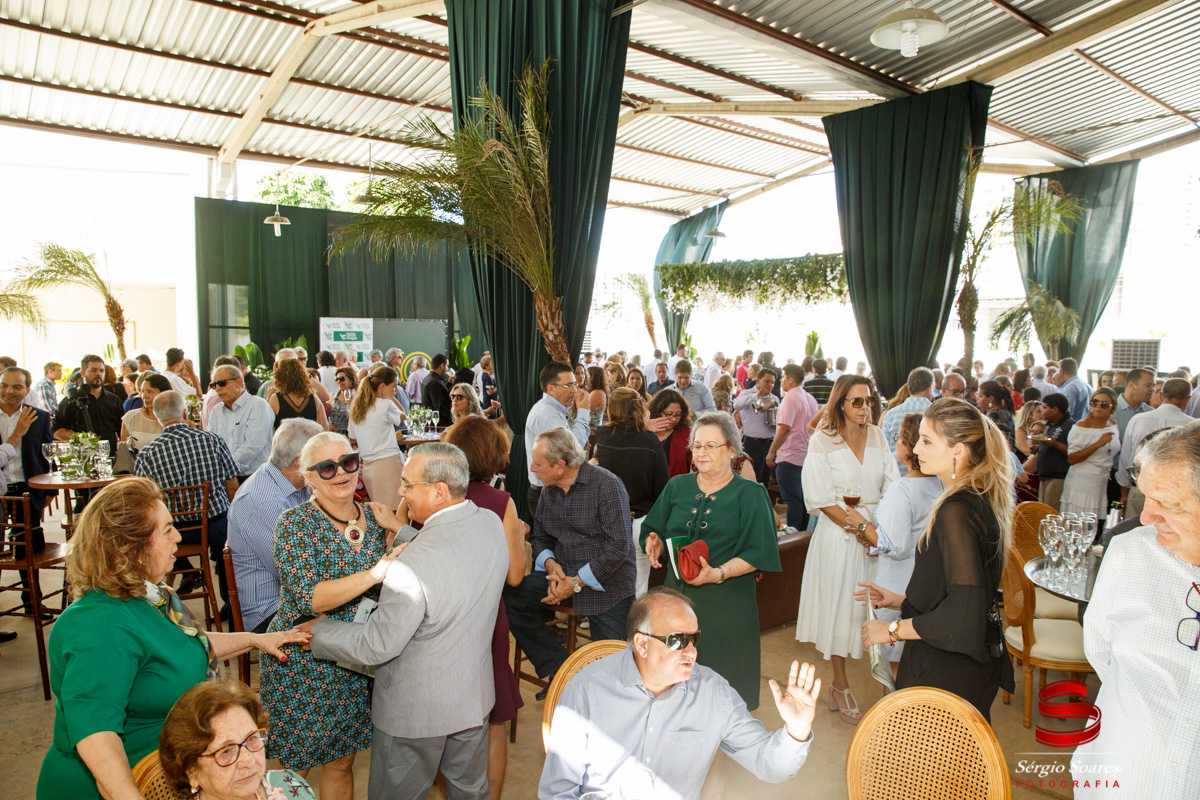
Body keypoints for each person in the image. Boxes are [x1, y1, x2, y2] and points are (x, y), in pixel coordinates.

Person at [36, 478, 307, 800]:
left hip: (169, 776)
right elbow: (96, 735)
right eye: (167, 530)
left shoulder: (148, 595)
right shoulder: (99, 626)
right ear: (131, 548)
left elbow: (185, 645)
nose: (178, 537)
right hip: (122, 784)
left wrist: (255, 639)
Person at [308, 442, 508, 800]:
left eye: (407, 484)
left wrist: (317, 631)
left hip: (414, 713)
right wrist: (401, 531)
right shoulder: (489, 523)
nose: (400, 492)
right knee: (470, 793)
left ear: (439, 491)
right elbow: (450, 557)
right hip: (471, 702)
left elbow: (377, 645)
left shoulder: (407, 567)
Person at [540, 588, 818, 800]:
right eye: (677, 640)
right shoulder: (586, 690)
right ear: (642, 644)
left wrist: (797, 731)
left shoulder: (714, 694)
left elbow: (770, 764)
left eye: (694, 639)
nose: (692, 652)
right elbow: (557, 791)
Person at [260, 432, 406, 800]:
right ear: (307, 476)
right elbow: (310, 597)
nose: (340, 473)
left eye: (348, 462)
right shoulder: (294, 524)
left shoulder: (375, 516)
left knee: (342, 762)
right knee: (295, 768)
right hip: (304, 658)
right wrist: (374, 574)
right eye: (327, 467)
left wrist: (395, 527)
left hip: (355, 659)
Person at [857, 398, 1015, 721]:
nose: (917, 450)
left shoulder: (955, 510)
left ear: (958, 450)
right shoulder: (976, 497)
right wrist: (903, 600)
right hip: (962, 663)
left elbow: (963, 613)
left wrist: (891, 630)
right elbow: (962, 592)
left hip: (944, 669)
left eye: (927, 441)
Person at [1071, 421, 1200, 799]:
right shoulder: (1131, 553)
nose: (1145, 517)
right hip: (1123, 777)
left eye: (1169, 504)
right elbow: (1102, 652)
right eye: (1146, 497)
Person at [641, 412, 780, 713]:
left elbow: (757, 552)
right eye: (697, 446)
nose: (701, 452)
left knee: (721, 692)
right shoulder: (677, 486)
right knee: (673, 687)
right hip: (676, 603)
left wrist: (717, 573)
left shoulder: (751, 494)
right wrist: (654, 543)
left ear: (732, 450)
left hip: (726, 608)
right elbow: (654, 529)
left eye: (710, 446)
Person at [795, 374, 898, 724]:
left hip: (874, 536)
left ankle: (887, 690)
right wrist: (858, 529)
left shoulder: (878, 436)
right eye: (857, 401)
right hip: (839, 538)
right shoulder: (822, 440)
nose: (864, 407)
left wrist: (875, 530)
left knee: (877, 611)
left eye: (869, 401)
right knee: (840, 608)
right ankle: (839, 685)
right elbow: (821, 498)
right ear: (840, 404)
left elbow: (892, 486)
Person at [504, 428, 636, 692]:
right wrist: (551, 566)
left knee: (613, 667)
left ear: (560, 466)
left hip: (606, 585)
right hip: (562, 577)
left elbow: (618, 549)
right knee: (510, 599)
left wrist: (575, 583)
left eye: (538, 464)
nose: (532, 468)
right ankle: (561, 668)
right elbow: (540, 537)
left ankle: (601, 700)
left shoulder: (607, 485)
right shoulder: (549, 489)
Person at [439, 418, 526, 800]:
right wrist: (519, 536)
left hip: (438, 620)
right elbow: (516, 575)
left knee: (440, 724)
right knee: (493, 723)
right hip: (487, 620)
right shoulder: (500, 501)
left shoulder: (433, 494)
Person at [843, 413, 940, 675]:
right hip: (923, 579)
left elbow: (895, 547)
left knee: (893, 666)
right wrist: (872, 539)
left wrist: (862, 524)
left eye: (898, 437)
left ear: (909, 445)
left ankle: (894, 703)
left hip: (896, 583)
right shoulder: (937, 483)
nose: (896, 442)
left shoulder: (903, 489)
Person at [134, 391, 240, 609]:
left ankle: (187, 571)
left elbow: (144, 502)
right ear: (185, 413)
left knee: (153, 532)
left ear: (157, 418)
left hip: (176, 531)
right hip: (216, 526)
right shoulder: (212, 440)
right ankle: (230, 604)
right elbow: (232, 486)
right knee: (226, 548)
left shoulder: (147, 454)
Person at [226, 419, 323, 634]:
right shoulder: (264, 501)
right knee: (354, 624)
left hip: (294, 597)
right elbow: (296, 575)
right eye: (322, 458)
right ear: (300, 463)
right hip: (271, 611)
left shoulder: (293, 484)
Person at [159, 680, 317, 800]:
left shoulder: (290, 783)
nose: (249, 761)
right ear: (191, 771)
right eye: (226, 751)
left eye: (252, 738)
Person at [594, 388, 669, 598]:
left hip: (605, 521)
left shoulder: (603, 435)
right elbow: (662, 489)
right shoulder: (650, 441)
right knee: (638, 587)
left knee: (604, 580)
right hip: (638, 522)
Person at [0, 366, 53, 565]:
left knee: (30, 552)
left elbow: (46, 455)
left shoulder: (39, 417)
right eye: (3, 386)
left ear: (27, 389)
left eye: (16, 387)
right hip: (0, 488)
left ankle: (29, 586)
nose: (9, 391)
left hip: (27, 488)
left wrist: (50, 490)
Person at [1117, 378, 1193, 514]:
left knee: (1132, 527)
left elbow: (1125, 459)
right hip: (1174, 495)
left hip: (1139, 487)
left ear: (1161, 395)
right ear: (1188, 399)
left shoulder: (1138, 419)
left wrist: (1124, 494)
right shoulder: (1192, 426)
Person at [524, 361, 590, 514]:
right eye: (568, 385)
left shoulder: (551, 410)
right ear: (551, 389)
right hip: (549, 493)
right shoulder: (547, 414)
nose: (574, 390)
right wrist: (583, 412)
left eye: (574, 385)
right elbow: (572, 451)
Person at [348, 364, 407, 506]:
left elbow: (352, 438)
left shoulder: (356, 406)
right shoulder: (384, 404)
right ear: (382, 386)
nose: (396, 390)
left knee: (379, 510)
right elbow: (403, 416)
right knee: (396, 510)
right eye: (393, 386)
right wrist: (390, 398)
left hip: (368, 467)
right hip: (388, 464)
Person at [207, 364, 275, 480]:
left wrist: (227, 468)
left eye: (222, 383)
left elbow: (253, 446)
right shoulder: (216, 411)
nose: (218, 388)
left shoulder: (258, 405)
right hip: (226, 477)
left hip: (256, 477)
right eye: (214, 385)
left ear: (239, 382)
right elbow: (211, 445)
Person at [1061, 387, 1120, 518]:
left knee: (1094, 522)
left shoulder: (1111, 424)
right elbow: (1072, 459)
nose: (1098, 406)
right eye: (1095, 402)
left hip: (1101, 481)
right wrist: (1097, 444)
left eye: (1104, 404)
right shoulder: (1081, 426)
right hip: (1082, 481)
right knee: (1080, 521)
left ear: (1113, 408)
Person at [54, 354, 125, 455]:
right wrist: (80, 437)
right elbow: (56, 431)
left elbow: (122, 430)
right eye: (93, 370)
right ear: (82, 373)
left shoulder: (114, 400)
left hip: (110, 457)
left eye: (101, 370)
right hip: (81, 457)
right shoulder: (70, 401)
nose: (98, 373)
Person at [881, 367, 934, 470]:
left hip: (896, 473)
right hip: (930, 474)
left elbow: (884, 450)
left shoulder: (891, 414)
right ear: (930, 388)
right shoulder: (938, 413)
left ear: (908, 388)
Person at [733, 366, 778, 487]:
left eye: (772, 382)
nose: (770, 384)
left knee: (765, 478)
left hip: (769, 443)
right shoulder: (747, 394)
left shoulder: (774, 399)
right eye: (767, 381)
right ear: (758, 380)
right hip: (753, 443)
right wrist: (757, 395)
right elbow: (736, 405)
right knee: (752, 480)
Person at [1031, 393, 1073, 510]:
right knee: (1042, 511)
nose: (1042, 411)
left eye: (1044, 408)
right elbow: (1047, 444)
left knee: (1051, 512)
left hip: (1058, 477)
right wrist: (1038, 448)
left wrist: (1055, 444)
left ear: (1055, 410)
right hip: (1045, 476)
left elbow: (1073, 451)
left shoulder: (1069, 426)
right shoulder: (1050, 425)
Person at [268, 358, 328, 432]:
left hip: (284, 439)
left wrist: (269, 398)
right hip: (310, 439)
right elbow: (324, 427)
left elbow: (265, 424)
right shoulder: (313, 397)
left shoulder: (276, 398)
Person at [1113, 367, 1154, 470]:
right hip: (1111, 471)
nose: (1152, 389)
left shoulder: (1151, 413)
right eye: (1148, 385)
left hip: (1141, 472)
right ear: (1132, 386)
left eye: (1153, 385)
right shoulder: (1110, 410)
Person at [119, 372, 170, 454]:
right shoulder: (130, 417)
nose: (144, 396)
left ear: (163, 393)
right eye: (142, 391)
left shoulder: (173, 419)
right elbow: (124, 454)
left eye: (150, 392)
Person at [648, 388, 694, 478]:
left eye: (678, 415)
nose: (673, 419)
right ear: (657, 412)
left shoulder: (686, 434)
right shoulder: (644, 431)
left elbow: (694, 464)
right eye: (669, 414)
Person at [976, 380, 1017, 454]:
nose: (977, 398)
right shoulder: (999, 412)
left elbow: (994, 443)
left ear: (990, 399)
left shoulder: (997, 415)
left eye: (980, 396)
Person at [1055, 357, 1091, 421]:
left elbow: (1067, 414)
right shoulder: (1088, 386)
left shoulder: (1069, 388)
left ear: (1061, 371)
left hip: (1074, 425)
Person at [422, 354, 453, 425]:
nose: (447, 369)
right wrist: (456, 417)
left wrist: (449, 384)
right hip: (438, 424)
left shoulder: (428, 378)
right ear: (442, 365)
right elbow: (440, 407)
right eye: (447, 366)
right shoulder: (435, 382)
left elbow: (441, 394)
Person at [329, 365, 358, 436]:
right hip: (333, 436)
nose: (338, 381)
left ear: (351, 381)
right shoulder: (332, 397)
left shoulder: (357, 397)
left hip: (349, 436)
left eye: (342, 379)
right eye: (336, 379)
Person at [585, 365, 608, 429]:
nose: (585, 378)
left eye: (587, 375)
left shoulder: (597, 393)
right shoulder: (598, 392)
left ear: (593, 377)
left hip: (592, 430)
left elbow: (585, 409)